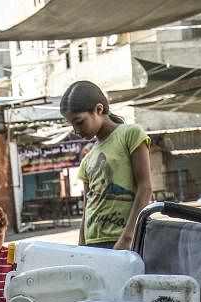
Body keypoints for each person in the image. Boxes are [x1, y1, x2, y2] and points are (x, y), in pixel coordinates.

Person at [60, 81, 151, 250]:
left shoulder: (130, 134)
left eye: (79, 122)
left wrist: (128, 237)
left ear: (99, 109)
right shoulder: (88, 157)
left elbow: (145, 188)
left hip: (125, 239)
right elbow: (88, 205)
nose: (76, 130)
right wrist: (82, 245)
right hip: (94, 243)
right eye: (71, 124)